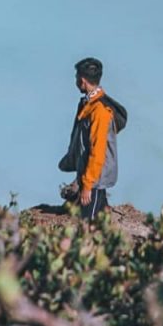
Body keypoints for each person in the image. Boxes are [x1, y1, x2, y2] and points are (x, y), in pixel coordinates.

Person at [58, 57, 127, 221]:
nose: (75, 81)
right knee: (98, 222)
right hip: (94, 179)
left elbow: (98, 149)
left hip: (95, 181)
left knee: (88, 224)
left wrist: (87, 185)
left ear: (82, 80)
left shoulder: (99, 111)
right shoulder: (89, 105)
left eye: (76, 78)